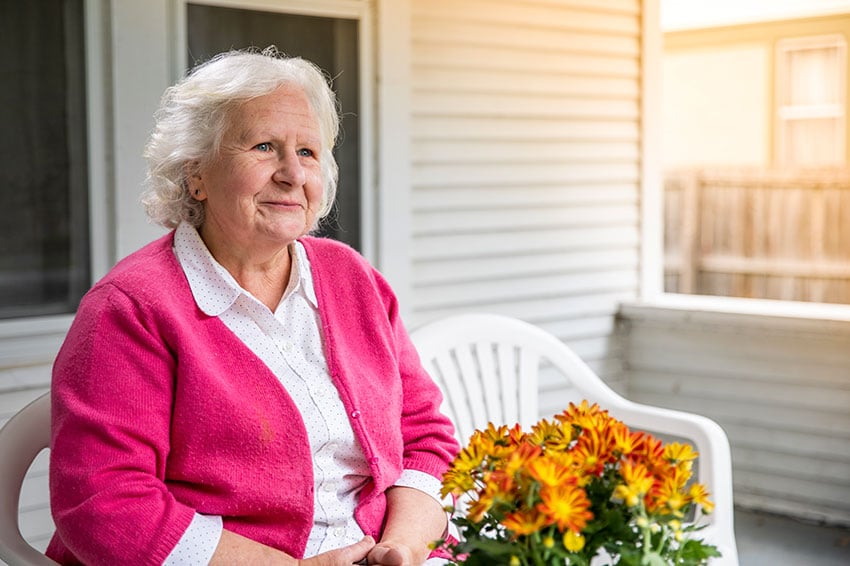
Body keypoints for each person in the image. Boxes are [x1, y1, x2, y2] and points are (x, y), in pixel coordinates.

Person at [47, 48, 459, 566]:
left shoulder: (352, 277)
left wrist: (402, 547)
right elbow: (105, 505)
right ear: (195, 173)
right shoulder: (129, 309)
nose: (292, 174)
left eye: (308, 152)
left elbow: (425, 435)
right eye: (265, 146)